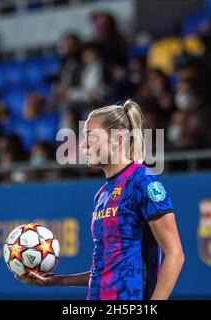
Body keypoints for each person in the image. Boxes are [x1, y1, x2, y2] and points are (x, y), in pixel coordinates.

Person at [15, 100, 184, 300]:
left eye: (91, 137)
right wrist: (59, 281)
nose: (83, 144)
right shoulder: (102, 193)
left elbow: (175, 254)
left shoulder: (143, 181)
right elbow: (107, 269)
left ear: (118, 139)